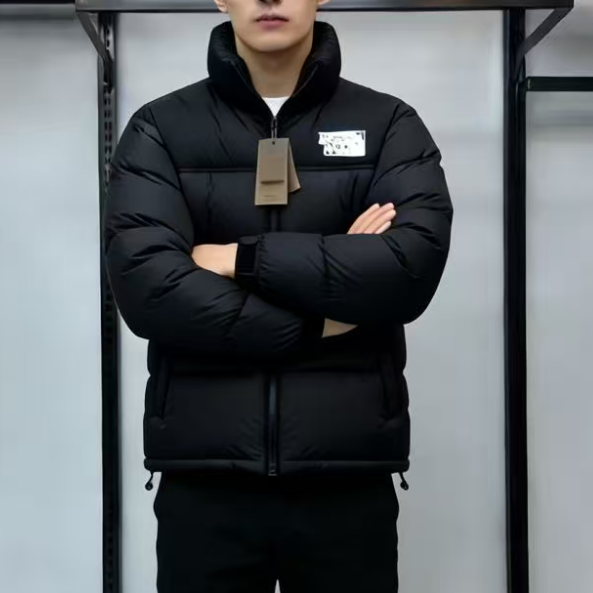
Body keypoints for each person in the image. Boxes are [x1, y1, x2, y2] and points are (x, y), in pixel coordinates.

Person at [102, 0, 453, 591]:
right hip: (204, 487)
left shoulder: (389, 124)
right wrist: (325, 316)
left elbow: (405, 270)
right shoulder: (159, 128)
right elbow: (150, 288)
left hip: (347, 484)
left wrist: (237, 260)